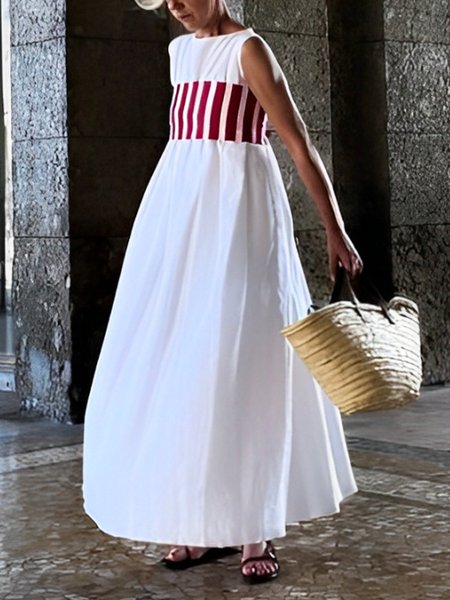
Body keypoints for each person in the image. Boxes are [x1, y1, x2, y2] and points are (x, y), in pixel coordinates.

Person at [82, 0, 364, 585]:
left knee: (243, 362)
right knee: (187, 363)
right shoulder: (178, 52)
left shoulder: (248, 50)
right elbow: (187, 145)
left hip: (241, 217)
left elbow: (298, 143)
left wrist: (335, 229)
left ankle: (253, 528)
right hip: (181, 217)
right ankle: (199, 522)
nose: (175, 6)